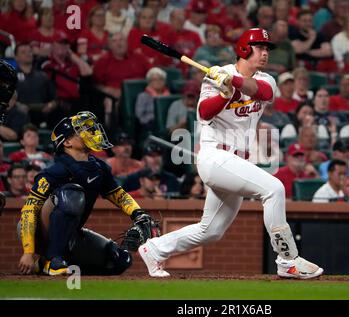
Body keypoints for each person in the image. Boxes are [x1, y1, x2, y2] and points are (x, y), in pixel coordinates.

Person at [138, 28, 323, 279]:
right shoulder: (215, 77)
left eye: (267, 49)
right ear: (245, 49)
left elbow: (263, 93)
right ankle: (287, 259)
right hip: (215, 156)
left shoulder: (266, 79)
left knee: (211, 230)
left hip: (236, 161)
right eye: (260, 47)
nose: (265, 53)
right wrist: (225, 93)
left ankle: (155, 249)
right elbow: (204, 113)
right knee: (274, 189)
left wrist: (232, 83)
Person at [17, 111, 158, 275]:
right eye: (82, 129)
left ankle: (45, 264)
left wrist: (137, 213)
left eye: (91, 128)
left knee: (119, 260)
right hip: (38, 232)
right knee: (72, 193)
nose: (92, 132)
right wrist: (28, 251)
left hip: (71, 234)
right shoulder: (56, 170)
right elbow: (29, 210)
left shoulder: (99, 167)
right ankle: (53, 259)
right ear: (68, 141)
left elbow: (119, 195)